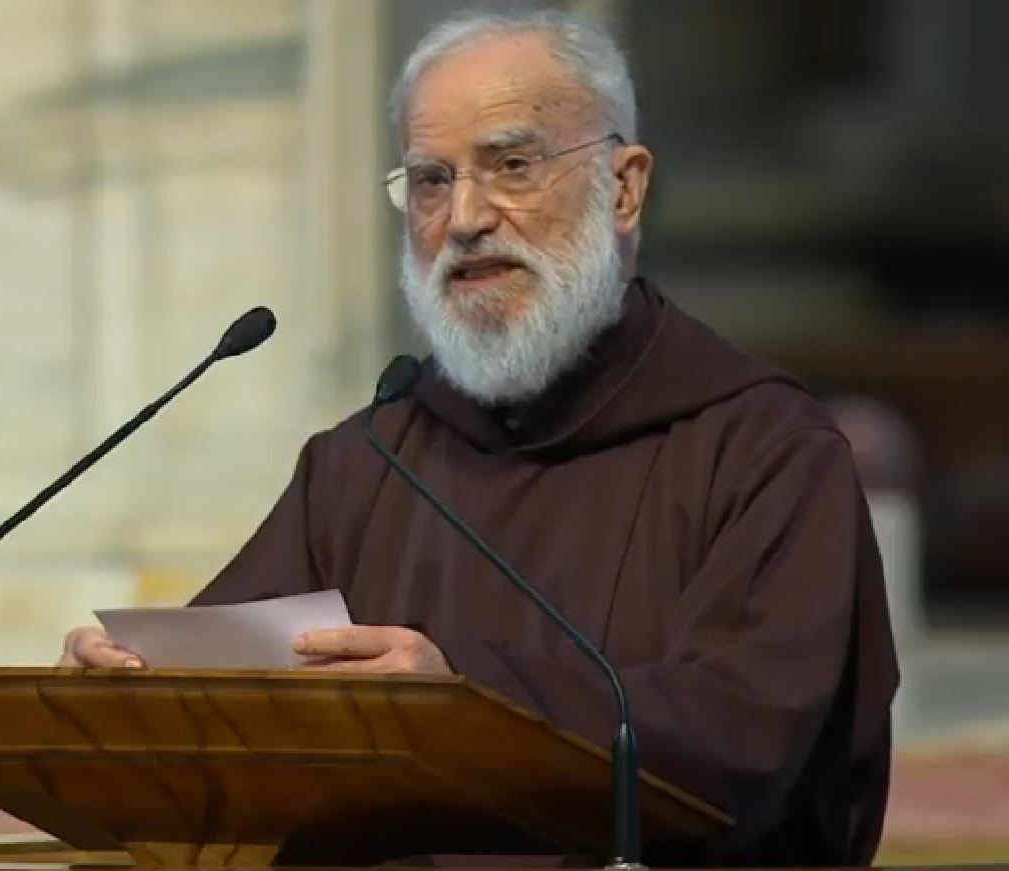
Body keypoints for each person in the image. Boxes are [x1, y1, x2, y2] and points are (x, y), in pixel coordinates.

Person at [59, 9, 899, 867]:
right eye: (430, 179)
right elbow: (222, 694)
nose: (463, 217)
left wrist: (466, 703)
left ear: (623, 187)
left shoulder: (764, 452)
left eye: (511, 165)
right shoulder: (364, 464)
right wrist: (128, 685)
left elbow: (749, 737)